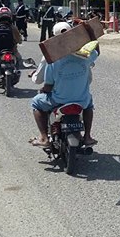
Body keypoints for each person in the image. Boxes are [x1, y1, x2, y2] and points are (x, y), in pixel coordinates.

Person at [30, 21, 99, 149]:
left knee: (36, 102)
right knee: (89, 104)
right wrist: (89, 31)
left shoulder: (53, 60)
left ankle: (44, 138)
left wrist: (43, 90)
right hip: (82, 101)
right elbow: (96, 49)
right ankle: (88, 136)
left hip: (58, 101)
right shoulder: (85, 56)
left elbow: (49, 85)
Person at [0, 7, 23, 81]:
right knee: (19, 59)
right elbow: (19, 40)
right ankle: (17, 71)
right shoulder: (13, 28)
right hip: (12, 51)